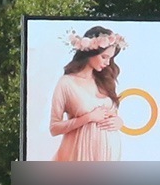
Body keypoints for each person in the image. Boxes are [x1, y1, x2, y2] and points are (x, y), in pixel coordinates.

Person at [48, 27, 126, 163]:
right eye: (104, 57)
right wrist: (88, 118)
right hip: (79, 156)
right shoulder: (66, 83)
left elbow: (114, 115)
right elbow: (54, 128)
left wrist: (119, 122)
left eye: (110, 58)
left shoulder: (105, 81)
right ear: (91, 52)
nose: (107, 63)